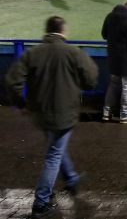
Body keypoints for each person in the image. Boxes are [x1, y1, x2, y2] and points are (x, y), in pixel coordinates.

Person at [5, 16, 98, 219]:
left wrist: (21, 104)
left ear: (46, 31)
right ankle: (41, 202)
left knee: (55, 145)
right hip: (64, 113)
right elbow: (91, 79)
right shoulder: (74, 53)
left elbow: (12, 81)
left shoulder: (32, 53)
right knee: (54, 154)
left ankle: (72, 179)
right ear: (63, 31)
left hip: (40, 112)